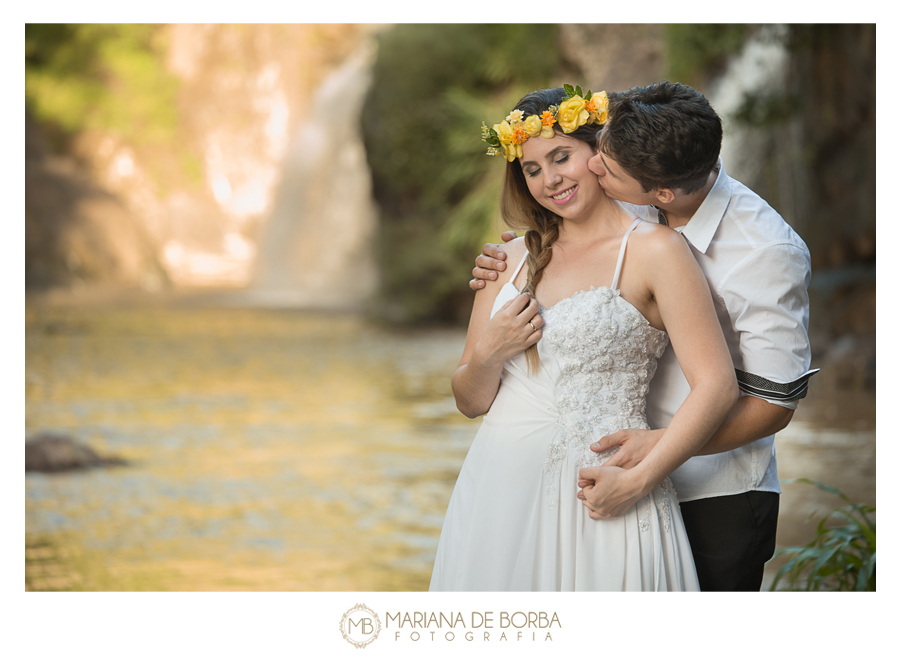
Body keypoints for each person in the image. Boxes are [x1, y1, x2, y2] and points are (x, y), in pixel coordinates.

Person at [469, 81, 818, 591]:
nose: (593, 170)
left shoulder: (765, 250)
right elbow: (576, 240)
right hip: (594, 474)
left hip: (713, 494)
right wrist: (511, 260)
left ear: (662, 194)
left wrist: (657, 453)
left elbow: (775, 403)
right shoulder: (633, 191)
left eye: (605, 169)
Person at [429, 86, 738, 591]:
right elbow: (469, 400)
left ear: (598, 151)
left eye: (561, 157)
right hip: (497, 495)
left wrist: (641, 477)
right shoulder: (508, 261)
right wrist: (491, 350)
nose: (549, 180)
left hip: (604, 496)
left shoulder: (657, 251)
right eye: (531, 169)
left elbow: (717, 386)